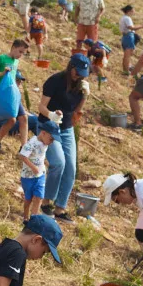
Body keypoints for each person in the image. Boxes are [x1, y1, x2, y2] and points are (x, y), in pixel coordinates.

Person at [37, 54, 91, 222]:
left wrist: (84, 96)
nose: (78, 75)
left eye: (82, 73)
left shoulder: (80, 87)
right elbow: (41, 106)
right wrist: (51, 115)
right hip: (48, 126)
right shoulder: (55, 81)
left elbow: (76, 112)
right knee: (58, 163)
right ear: (70, 67)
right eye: (76, 71)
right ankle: (47, 202)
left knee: (71, 169)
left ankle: (60, 208)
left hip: (66, 128)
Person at [0, 40, 30, 152]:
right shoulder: (1, 58)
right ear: (13, 47)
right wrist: (1, 73)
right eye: (20, 51)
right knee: (12, 120)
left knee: (24, 118)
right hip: (2, 95)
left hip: (12, 95)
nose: (20, 55)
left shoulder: (15, 61)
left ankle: (24, 148)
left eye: (23, 53)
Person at [17, 121, 59, 221]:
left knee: (39, 196)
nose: (52, 142)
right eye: (51, 139)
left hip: (40, 175)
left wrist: (45, 163)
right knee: (28, 198)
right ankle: (26, 216)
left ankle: (34, 218)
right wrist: (33, 167)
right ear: (43, 133)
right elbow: (22, 155)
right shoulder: (32, 143)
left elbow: (39, 156)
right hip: (28, 176)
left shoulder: (45, 144)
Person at [0, 72, 37, 140]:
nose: (19, 83)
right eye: (17, 80)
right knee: (34, 119)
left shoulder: (4, 91)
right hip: (3, 125)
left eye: (20, 81)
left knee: (33, 116)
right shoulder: (10, 94)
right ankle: (42, 140)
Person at [119, 5, 143, 75]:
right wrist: (141, 26)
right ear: (129, 11)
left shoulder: (123, 18)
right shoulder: (127, 18)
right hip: (129, 36)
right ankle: (126, 71)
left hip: (125, 37)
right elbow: (131, 27)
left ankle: (125, 70)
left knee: (126, 55)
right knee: (127, 55)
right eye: (133, 11)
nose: (134, 12)